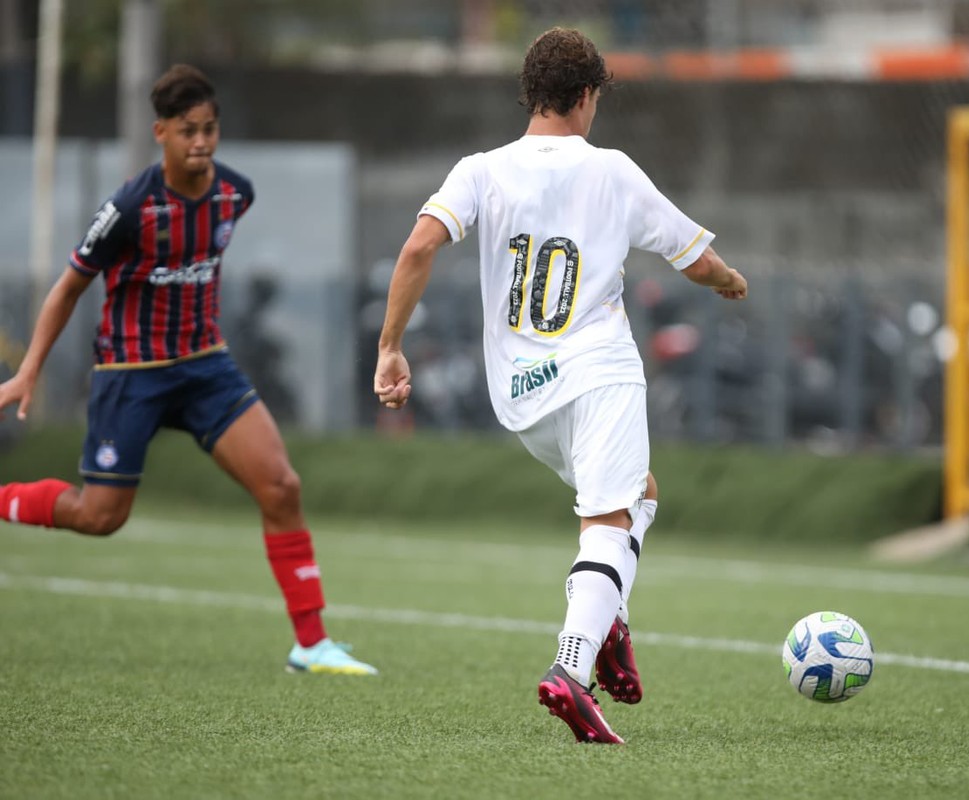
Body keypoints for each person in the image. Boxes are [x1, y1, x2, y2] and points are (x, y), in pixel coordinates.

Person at [374, 27, 747, 744]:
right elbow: (695, 260)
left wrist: (391, 346)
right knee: (608, 521)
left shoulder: (480, 170)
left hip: (519, 394)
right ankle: (571, 669)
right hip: (597, 371)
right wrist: (729, 279)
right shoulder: (610, 170)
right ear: (586, 95)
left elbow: (421, 243)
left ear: (531, 94)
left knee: (640, 494)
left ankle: (610, 624)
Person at [0, 64, 376, 677]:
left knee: (281, 486)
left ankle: (310, 644)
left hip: (206, 366)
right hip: (132, 371)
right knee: (100, 518)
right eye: (187, 131)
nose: (200, 142)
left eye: (209, 129)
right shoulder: (129, 206)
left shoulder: (235, 193)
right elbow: (69, 288)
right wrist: (28, 372)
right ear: (161, 133)